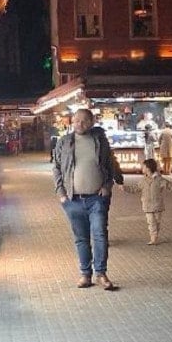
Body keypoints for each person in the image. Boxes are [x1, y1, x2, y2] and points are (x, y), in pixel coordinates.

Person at [52, 108, 116, 289]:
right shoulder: (64, 142)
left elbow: (110, 165)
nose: (79, 124)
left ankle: (101, 273)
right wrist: (61, 193)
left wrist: (107, 186)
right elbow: (56, 167)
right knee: (81, 238)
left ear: (92, 122)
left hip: (97, 199)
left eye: (84, 121)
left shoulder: (100, 141)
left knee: (100, 234)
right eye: (76, 120)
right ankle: (85, 274)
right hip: (73, 199)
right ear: (72, 121)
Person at [140, 157, 166, 244]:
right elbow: (135, 188)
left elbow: (169, 185)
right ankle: (153, 238)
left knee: (157, 222)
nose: (142, 168)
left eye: (143, 167)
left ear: (148, 168)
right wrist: (125, 188)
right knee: (151, 222)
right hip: (147, 206)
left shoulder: (159, 179)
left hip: (158, 205)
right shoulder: (143, 180)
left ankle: (155, 235)